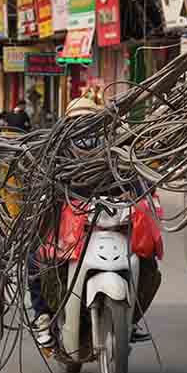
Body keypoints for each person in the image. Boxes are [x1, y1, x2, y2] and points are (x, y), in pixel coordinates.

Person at [27, 89, 158, 354]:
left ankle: (131, 319)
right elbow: (40, 182)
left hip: (112, 221)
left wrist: (145, 194)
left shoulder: (114, 152)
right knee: (37, 257)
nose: (84, 128)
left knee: (148, 262)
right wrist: (43, 198)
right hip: (70, 224)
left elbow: (136, 179)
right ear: (67, 124)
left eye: (89, 121)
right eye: (77, 121)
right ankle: (43, 317)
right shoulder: (56, 154)